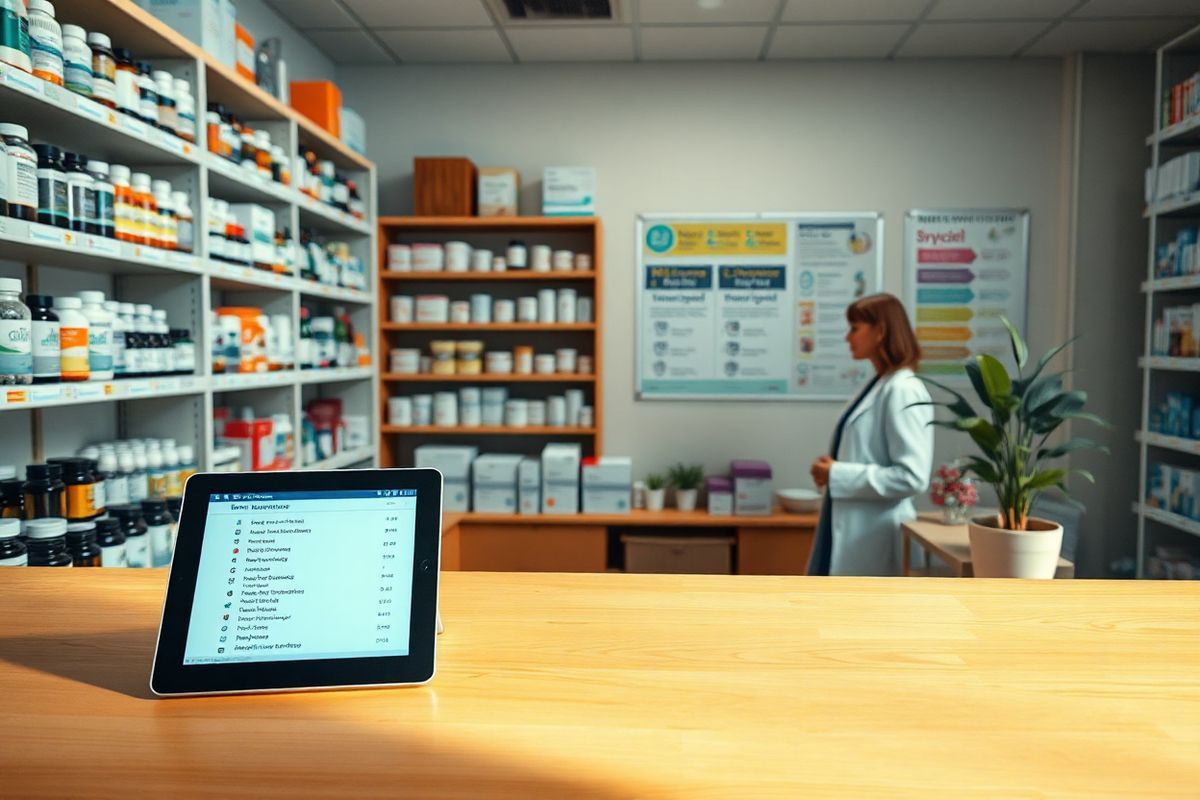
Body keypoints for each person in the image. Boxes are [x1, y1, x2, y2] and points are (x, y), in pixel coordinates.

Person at [806, 293, 933, 576]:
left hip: (875, 533)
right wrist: (832, 469)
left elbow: (912, 476)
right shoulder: (879, 384)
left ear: (880, 332)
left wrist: (837, 474)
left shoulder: (902, 389)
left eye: (854, 328)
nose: (847, 337)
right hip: (851, 527)